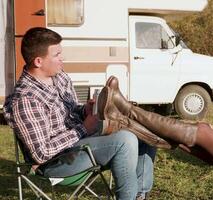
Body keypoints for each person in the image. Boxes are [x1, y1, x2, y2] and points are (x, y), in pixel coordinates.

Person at [3, 27, 156, 200]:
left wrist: (86, 110)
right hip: (57, 162)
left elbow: (70, 110)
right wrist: (83, 128)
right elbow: (41, 153)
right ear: (38, 61)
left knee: (145, 132)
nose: (63, 58)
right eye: (57, 55)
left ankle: (138, 195)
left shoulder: (59, 77)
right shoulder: (26, 99)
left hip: (81, 143)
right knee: (125, 141)